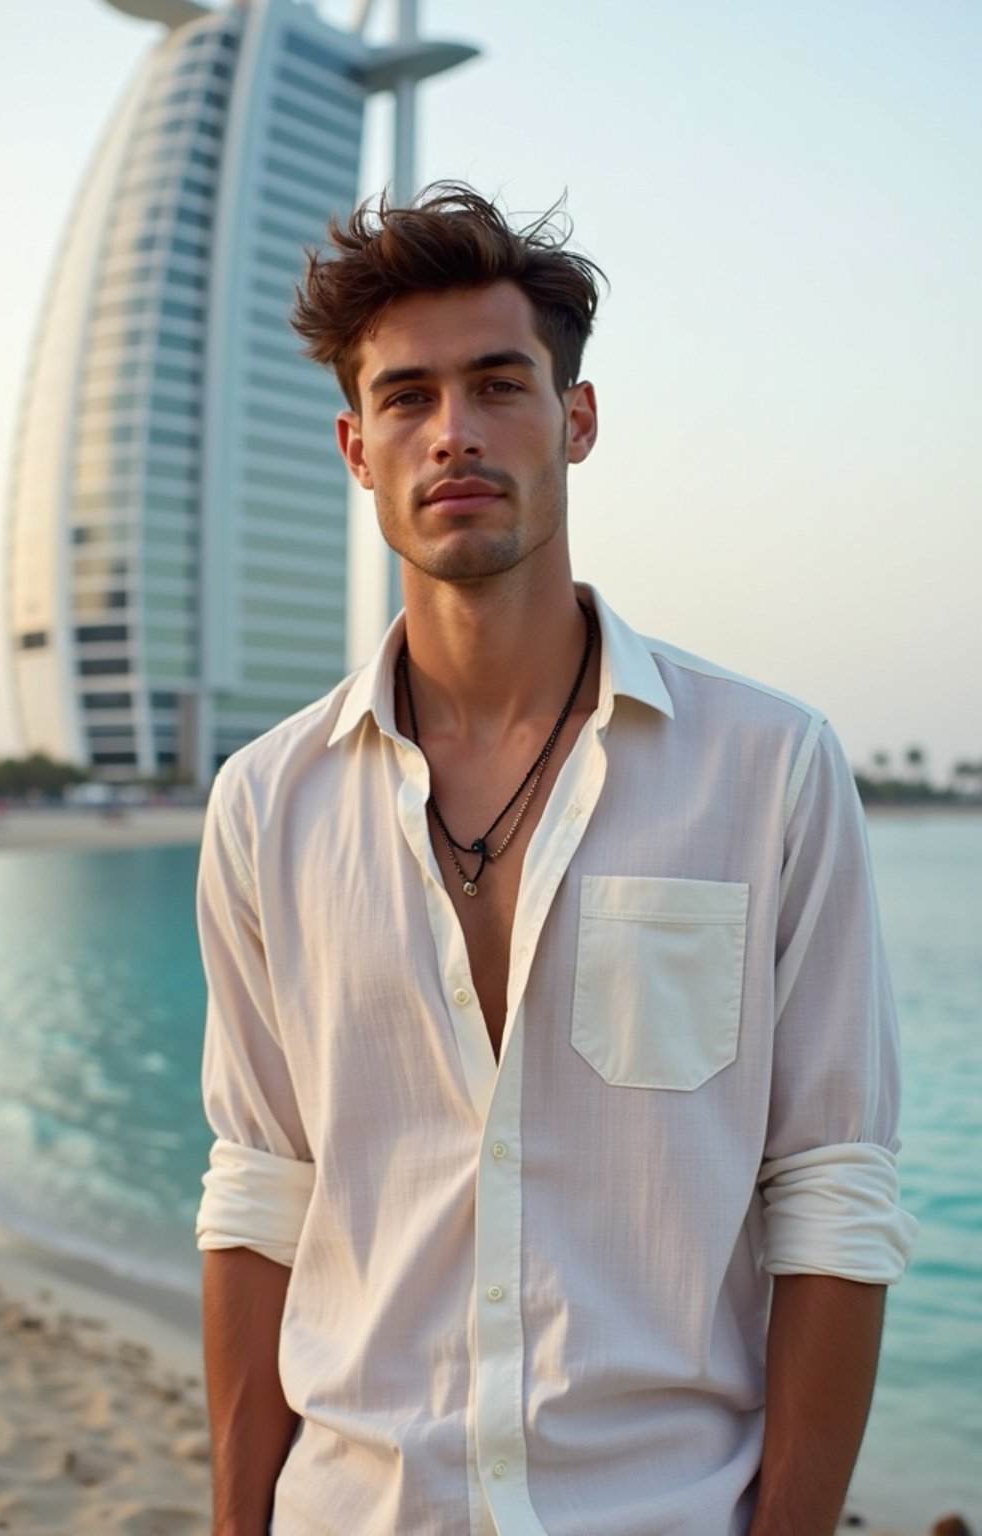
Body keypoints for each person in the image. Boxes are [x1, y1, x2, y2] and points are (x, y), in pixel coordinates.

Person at [195, 185, 916, 1536]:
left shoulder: (771, 770)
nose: (453, 432)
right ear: (358, 449)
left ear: (575, 420)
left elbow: (832, 1191)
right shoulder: (264, 806)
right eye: (406, 398)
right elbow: (260, 1189)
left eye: (497, 384)